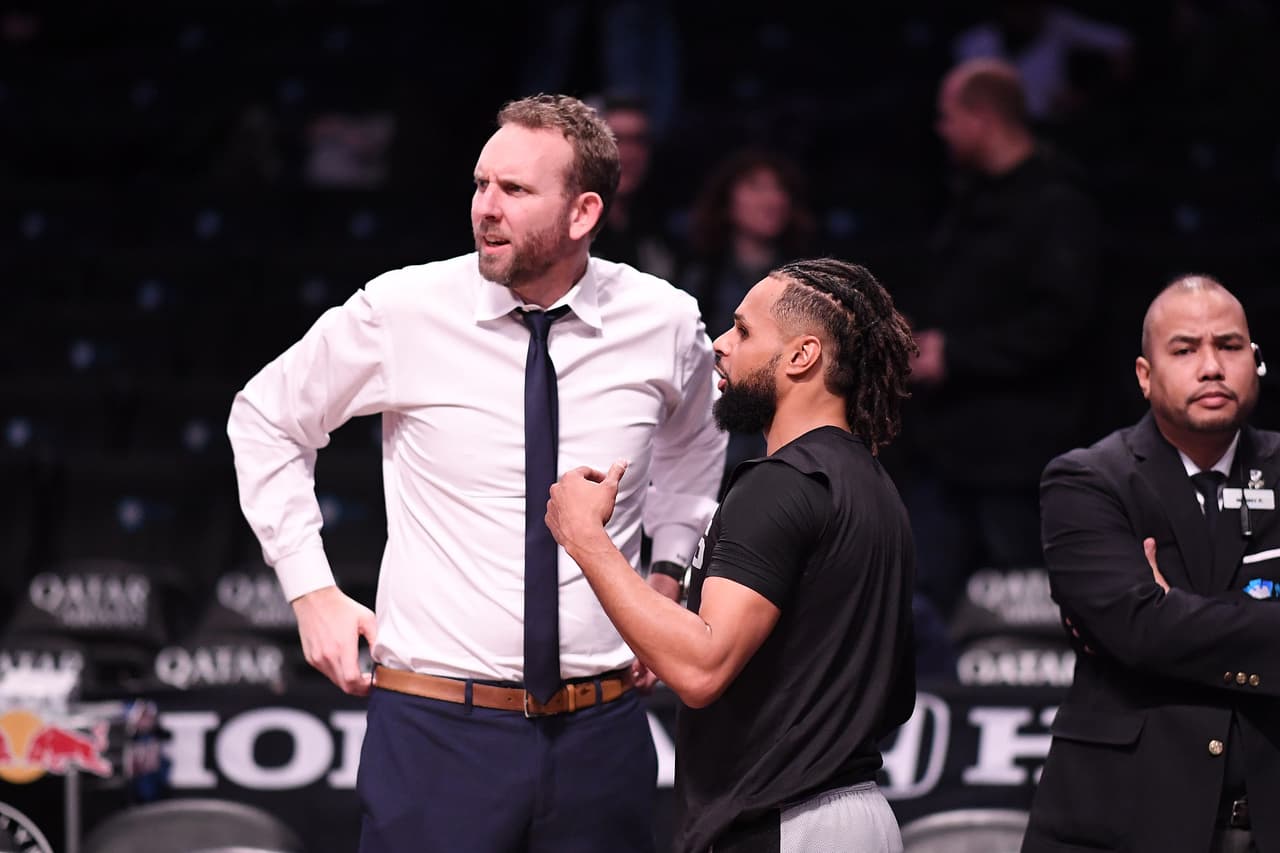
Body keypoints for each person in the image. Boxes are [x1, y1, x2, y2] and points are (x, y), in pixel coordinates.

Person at [227, 93, 726, 853]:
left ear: (584, 212)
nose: (485, 208)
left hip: (603, 731)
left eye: (514, 190)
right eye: (480, 184)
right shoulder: (404, 309)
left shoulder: (663, 319)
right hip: (435, 731)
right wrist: (311, 590)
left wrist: (667, 574)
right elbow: (266, 417)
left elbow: (698, 447)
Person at [546, 257, 917, 853]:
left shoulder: (780, 484)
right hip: (853, 813)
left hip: (788, 820)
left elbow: (701, 668)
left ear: (802, 356)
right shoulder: (871, 485)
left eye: (743, 330)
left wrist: (587, 538)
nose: (720, 344)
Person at [1023, 275, 1280, 853]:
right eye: (1185, 350)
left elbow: (1158, 626)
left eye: (1229, 346)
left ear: (1256, 359)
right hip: (1123, 823)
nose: (1211, 367)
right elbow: (1138, 629)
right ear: (1145, 375)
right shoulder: (1086, 479)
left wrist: (1173, 610)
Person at [901, 57, 1099, 676]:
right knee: (921, 603)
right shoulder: (966, 199)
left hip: (1022, 459)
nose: (941, 130)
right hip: (949, 450)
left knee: (1024, 613)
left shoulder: (1058, 203)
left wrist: (955, 353)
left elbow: (1064, 324)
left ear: (981, 117)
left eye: (948, 116)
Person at [678, 147, 819, 496]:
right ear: (728, 200)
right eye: (756, 187)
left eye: (779, 188)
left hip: (791, 438)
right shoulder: (701, 279)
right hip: (718, 436)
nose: (771, 199)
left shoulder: (811, 281)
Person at [588, 91, 678, 280]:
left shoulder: (661, 234)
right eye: (616, 139)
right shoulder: (567, 232)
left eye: (639, 140)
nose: (630, 154)